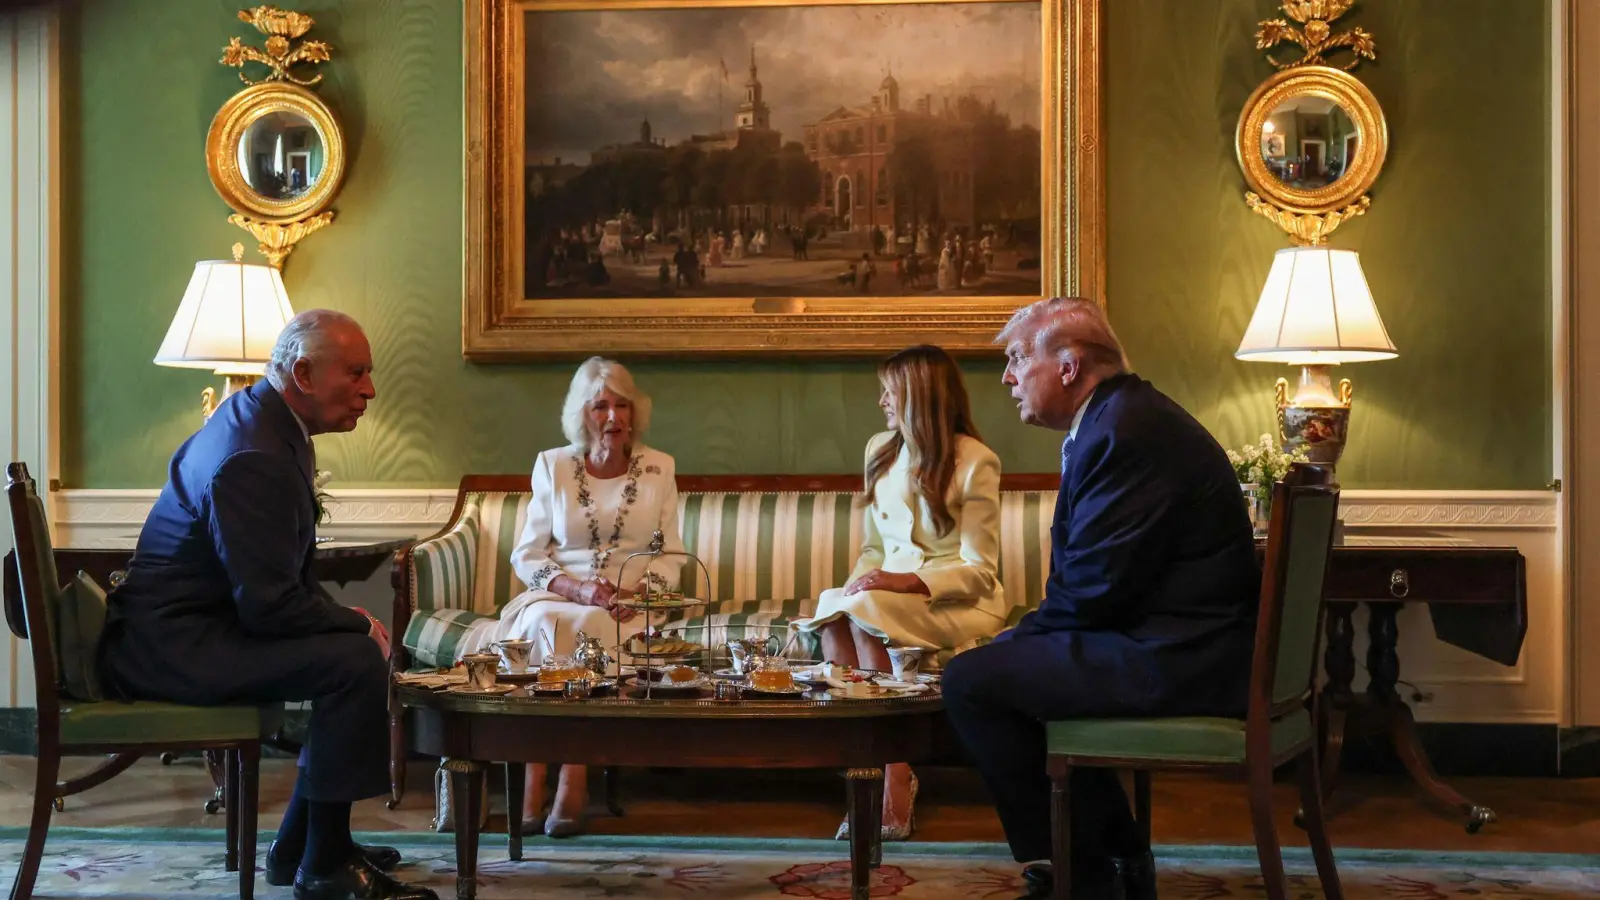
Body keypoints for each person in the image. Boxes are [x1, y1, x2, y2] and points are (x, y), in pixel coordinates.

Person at [99, 310, 436, 900]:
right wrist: (358, 622)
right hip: (175, 649)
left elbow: (277, 582)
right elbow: (270, 607)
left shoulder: (261, 422)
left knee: (352, 652)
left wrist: (352, 625)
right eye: (355, 373)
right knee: (354, 663)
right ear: (302, 374)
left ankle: (301, 848)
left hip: (191, 632)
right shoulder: (253, 452)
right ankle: (325, 865)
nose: (369, 390)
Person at [942, 297, 1258, 900]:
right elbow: (1103, 583)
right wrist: (1024, 640)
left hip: (1182, 659)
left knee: (971, 681)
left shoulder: (1124, 432)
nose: (1007, 377)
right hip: (1177, 642)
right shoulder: (1124, 417)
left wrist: (1016, 639)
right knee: (1006, 669)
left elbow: (1092, 589)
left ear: (1068, 366)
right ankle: (1113, 859)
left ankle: (1086, 875)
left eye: (1018, 358)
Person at [455, 356, 684, 837]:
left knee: (594, 626)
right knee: (550, 622)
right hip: (559, 594)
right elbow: (527, 554)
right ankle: (535, 771)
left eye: (622, 405)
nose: (613, 417)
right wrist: (576, 588)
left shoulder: (659, 468)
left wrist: (640, 594)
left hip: (628, 603)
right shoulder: (553, 465)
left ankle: (571, 774)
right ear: (582, 414)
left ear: (635, 412)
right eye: (600, 406)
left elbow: (670, 556)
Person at [801, 345, 1006, 842]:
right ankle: (872, 769)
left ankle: (891, 780)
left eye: (890, 392)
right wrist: (857, 586)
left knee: (866, 612)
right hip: (886, 600)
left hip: (959, 604)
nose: (882, 402)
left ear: (920, 395)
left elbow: (981, 571)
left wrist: (905, 582)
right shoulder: (880, 449)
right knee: (837, 611)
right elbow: (874, 550)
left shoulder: (976, 461)